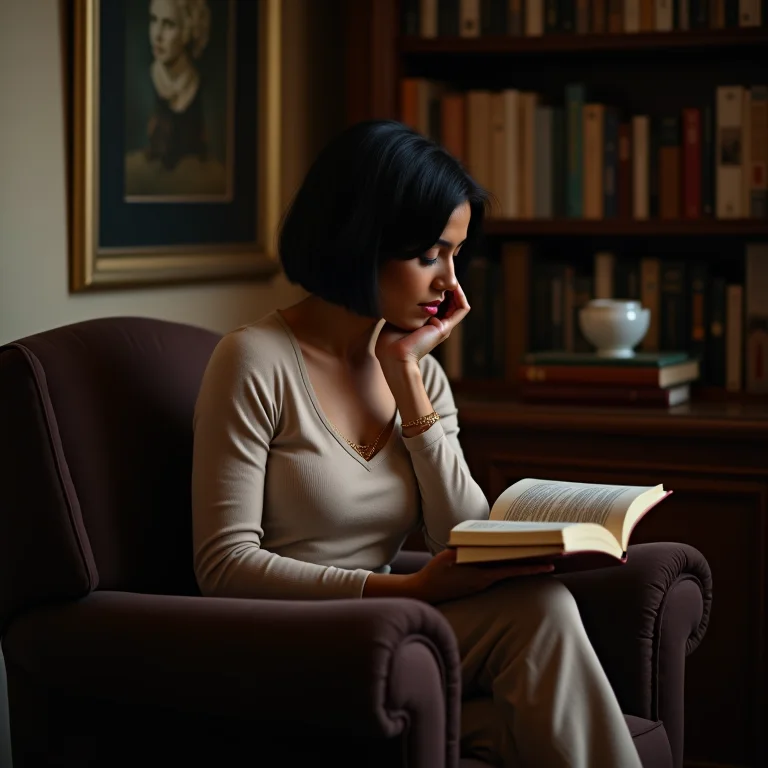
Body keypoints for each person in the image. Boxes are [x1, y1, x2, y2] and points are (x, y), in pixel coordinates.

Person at [191, 119, 643, 768]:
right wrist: (408, 594)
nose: (449, 284)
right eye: (430, 255)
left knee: (532, 679)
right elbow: (224, 570)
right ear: (362, 241)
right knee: (537, 629)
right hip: (291, 639)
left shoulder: (420, 370)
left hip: (392, 639)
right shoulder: (254, 360)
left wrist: (407, 379)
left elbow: (460, 534)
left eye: (456, 254)